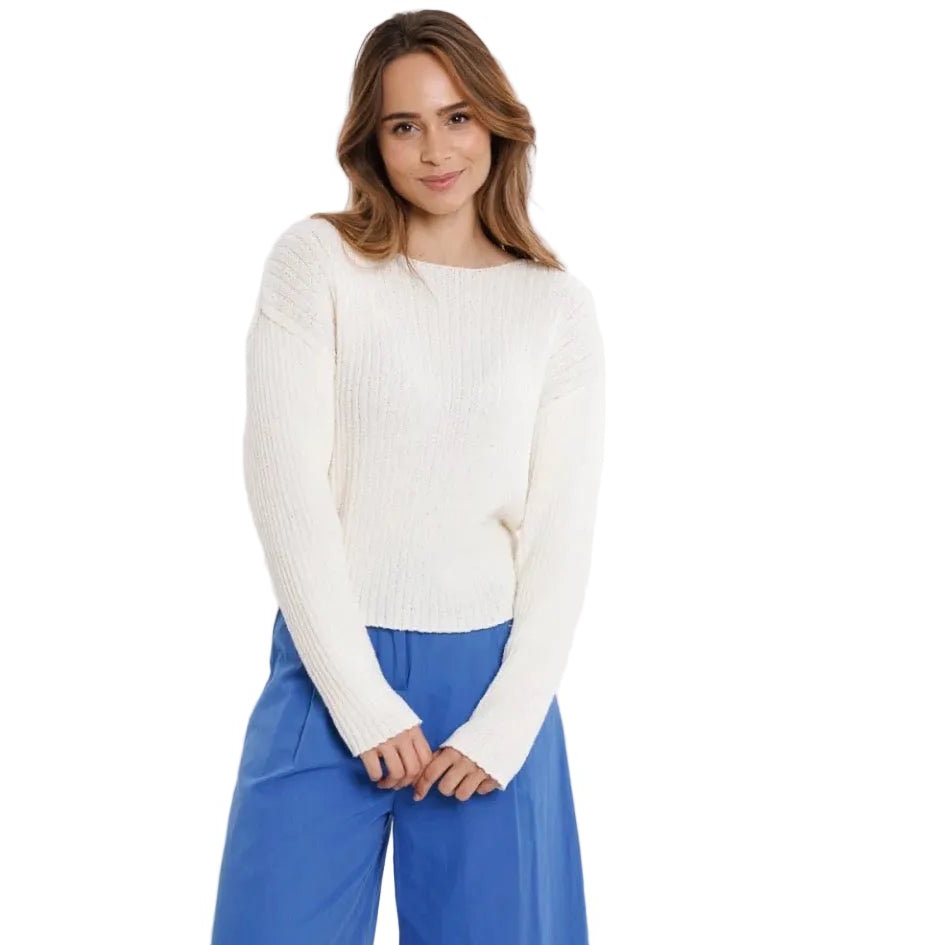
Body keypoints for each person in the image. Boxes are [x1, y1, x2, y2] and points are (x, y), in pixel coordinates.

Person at [210, 10, 605, 945]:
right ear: (371, 141)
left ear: (496, 123)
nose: (436, 150)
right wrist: (360, 698)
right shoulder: (317, 262)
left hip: (493, 687)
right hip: (328, 670)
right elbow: (285, 485)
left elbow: (560, 536)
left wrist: (506, 726)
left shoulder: (555, 307)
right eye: (404, 125)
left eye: (457, 116)